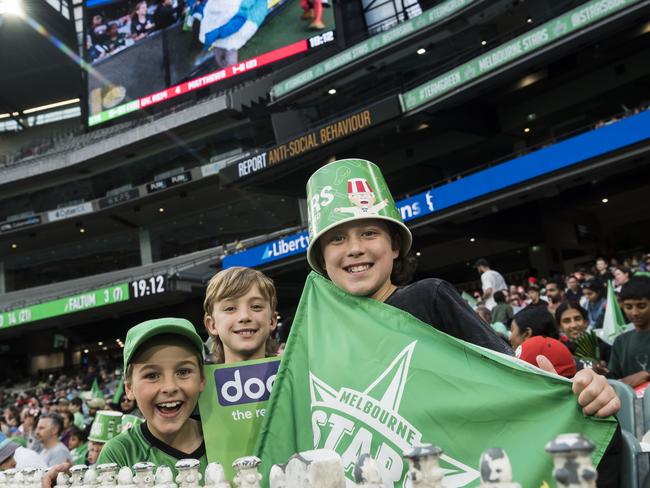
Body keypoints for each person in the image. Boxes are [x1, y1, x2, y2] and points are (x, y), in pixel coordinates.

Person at [305, 158, 619, 414]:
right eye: (337, 239)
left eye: (370, 233)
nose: (355, 248)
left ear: (395, 246)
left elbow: (512, 374)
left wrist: (585, 389)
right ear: (322, 259)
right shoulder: (319, 341)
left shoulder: (429, 299)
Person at [96, 318, 207, 477]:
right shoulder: (120, 453)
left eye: (183, 372)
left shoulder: (225, 434)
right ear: (129, 388)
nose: (170, 387)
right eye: (152, 375)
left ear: (202, 379)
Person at [203, 266, 279, 364]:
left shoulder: (295, 376)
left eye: (256, 306)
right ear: (212, 324)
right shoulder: (200, 379)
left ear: (272, 320)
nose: (244, 316)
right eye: (230, 308)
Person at [509, 307, 577, 378]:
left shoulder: (533, 346)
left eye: (512, 330)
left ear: (527, 333)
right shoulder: (562, 349)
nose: (509, 338)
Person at [608, 276, 650, 386]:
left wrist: (646, 374)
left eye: (641, 306)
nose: (634, 312)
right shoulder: (620, 341)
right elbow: (614, 377)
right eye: (628, 307)